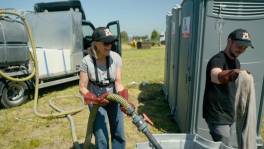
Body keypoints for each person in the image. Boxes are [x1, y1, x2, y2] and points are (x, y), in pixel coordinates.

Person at [79, 27, 131, 149]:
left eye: (111, 42)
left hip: (114, 98)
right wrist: (96, 100)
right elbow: (82, 87)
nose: (109, 46)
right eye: (106, 43)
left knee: (119, 132)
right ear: (96, 44)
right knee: (101, 135)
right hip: (96, 100)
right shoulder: (86, 61)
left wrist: (124, 101)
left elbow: (118, 82)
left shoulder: (116, 57)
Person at [202, 28, 254, 145]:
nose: (242, 49)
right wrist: (232, 73)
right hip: (218, 115)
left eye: (245, 47)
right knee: (224, 146)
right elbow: (215, 76)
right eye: (239, 45)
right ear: (229, 41)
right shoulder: (218, 59)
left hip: (229, 113)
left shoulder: (236, 62)